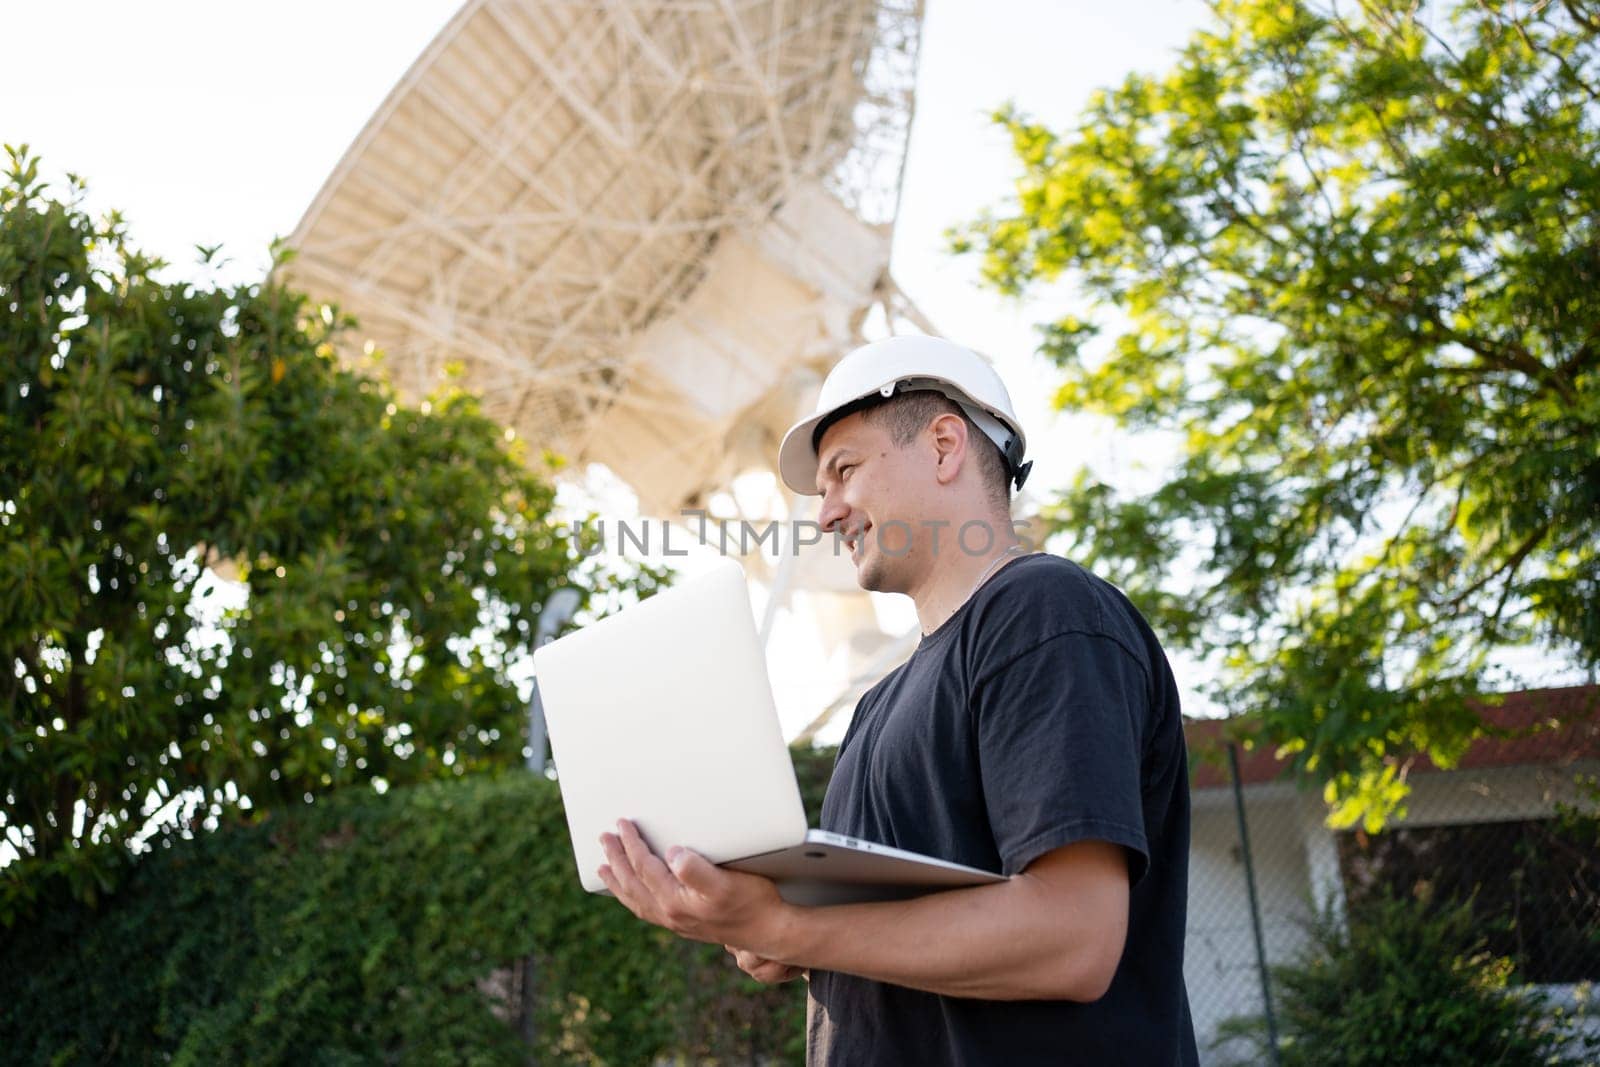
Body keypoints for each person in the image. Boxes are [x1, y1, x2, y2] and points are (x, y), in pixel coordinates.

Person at [597, 335, 1199, 1064]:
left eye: (844, 472)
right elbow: (892, 932)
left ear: (945, 445)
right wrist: (767, 927)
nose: (826, 515)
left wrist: (790, 926)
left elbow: (1073, 938)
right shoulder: (876, 706)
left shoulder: (1045, 612)